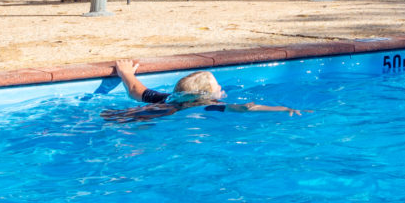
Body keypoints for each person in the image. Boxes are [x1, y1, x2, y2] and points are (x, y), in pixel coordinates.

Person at [105, 60, 298, 120]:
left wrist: (126, 72)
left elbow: (134, 89)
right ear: (205, 95)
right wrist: (283, 109)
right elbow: (247, 108)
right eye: (217, 87)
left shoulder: (166, 98)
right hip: (143, 120)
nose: (221, 89)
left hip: (120, 115)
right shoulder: (207, 106)